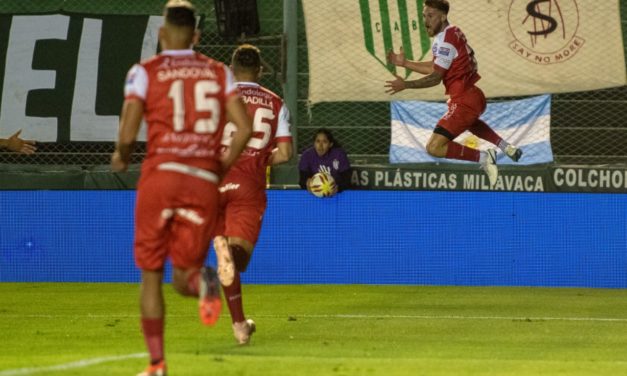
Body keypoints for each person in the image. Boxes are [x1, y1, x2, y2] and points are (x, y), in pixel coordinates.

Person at [110, 1, 253, 375]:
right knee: (183, 276)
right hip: (202, 182)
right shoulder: (219, 72)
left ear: (161, 34)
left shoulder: (144, 72)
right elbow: (244, 128)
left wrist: (121, 157)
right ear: (197, 36)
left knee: (153, 275)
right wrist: (218, 167)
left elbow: (127, 133)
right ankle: (204, 279)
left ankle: (156, 364)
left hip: (160, 177)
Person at [384, 0, 522, 188]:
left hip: (464, 99)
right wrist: (406, 63)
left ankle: (484, 156)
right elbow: (436, 66)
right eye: (424, 16)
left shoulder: (446, 40)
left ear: (443, 16)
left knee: (434, 147)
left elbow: (435, 77)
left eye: (430, 15)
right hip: (473, 96)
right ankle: (505, 146)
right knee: (470, 121)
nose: (426, 20)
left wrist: (405, 84)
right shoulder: (449, 33)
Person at [212, 43, 293, 345]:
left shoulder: (216, 99)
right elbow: (285, 153)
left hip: (214, 180)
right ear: (260, 70)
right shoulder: (275, 102)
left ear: (231, 69)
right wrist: (259, 158)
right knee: (238, 260)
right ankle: (222, 274)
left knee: (227, 260)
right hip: (248, 183)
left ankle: (239, 326)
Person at [298, 128, 351, 195]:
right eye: (318, 141)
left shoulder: (339, 155)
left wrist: (338, 188)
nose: (320, 146)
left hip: (336, 195)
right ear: (314, 143)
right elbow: (302, 180)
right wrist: (306, 183)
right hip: (314, 195)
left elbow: (347, 179)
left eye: (324, 142)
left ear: (330, 144)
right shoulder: (307, 156)